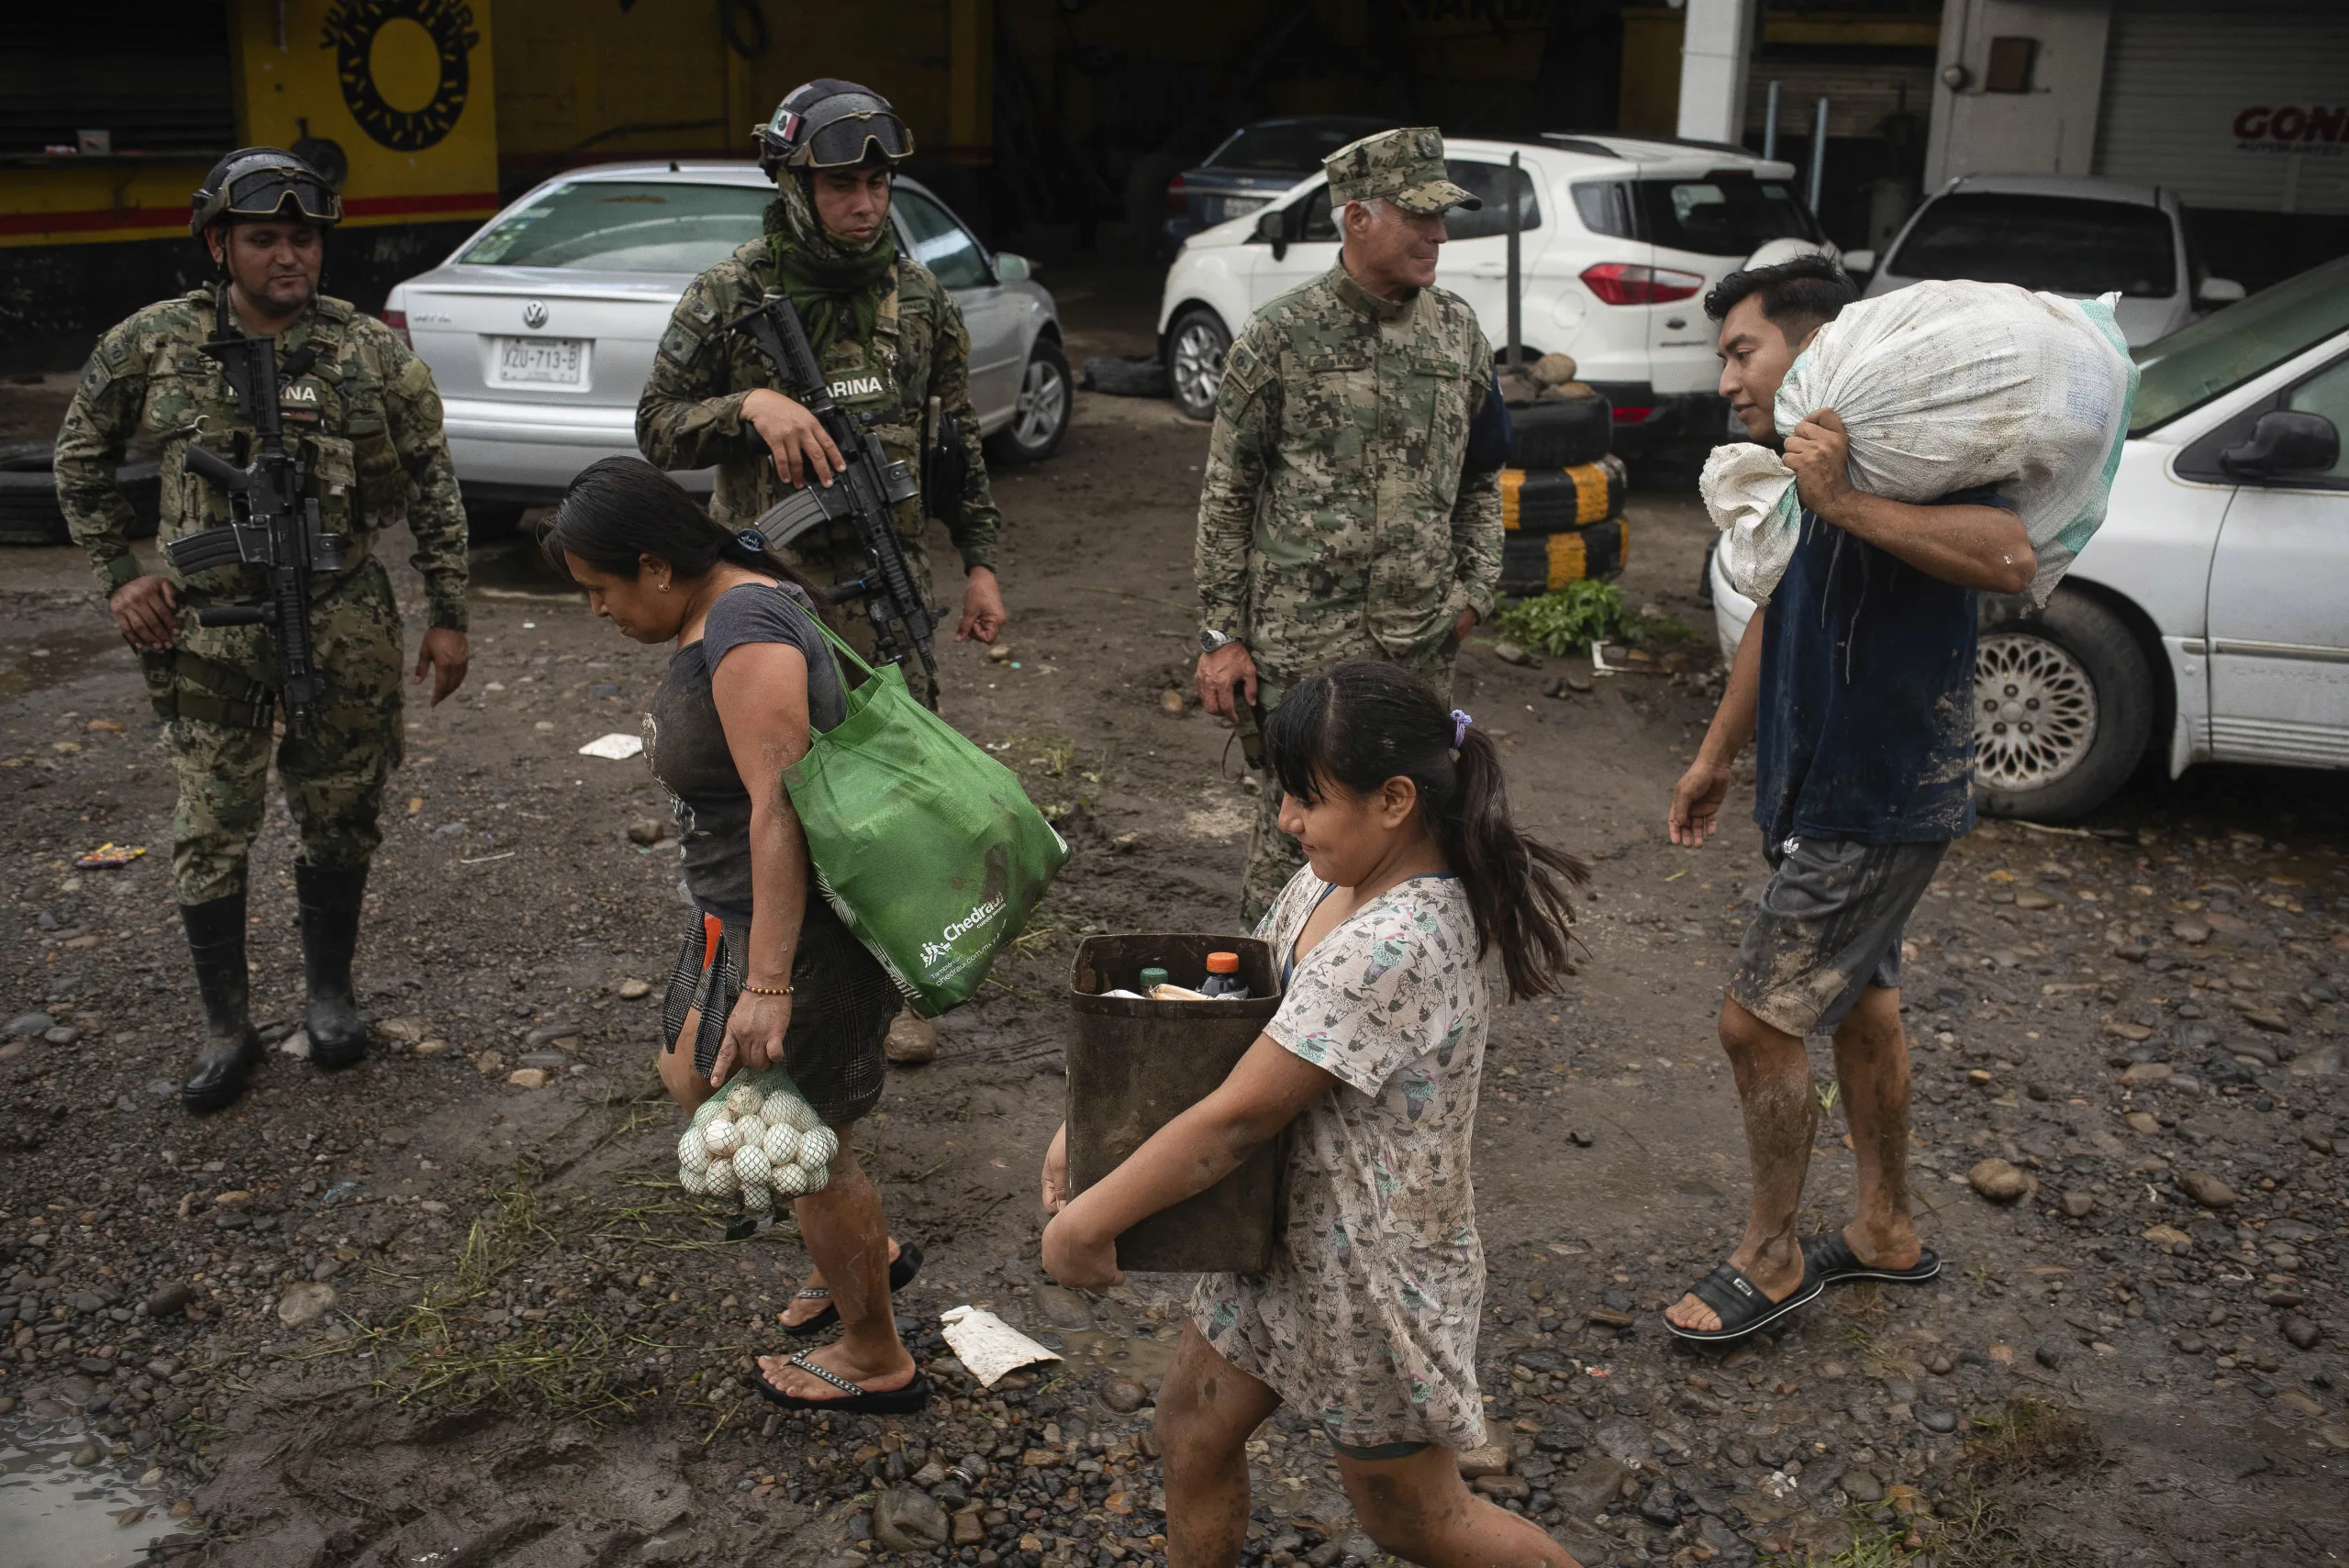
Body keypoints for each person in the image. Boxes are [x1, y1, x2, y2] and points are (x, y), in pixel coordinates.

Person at [1040, 661, 1586, 1568]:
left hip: (1371, 1278)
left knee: (1414, 1519)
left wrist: (1091, 1218)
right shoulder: (1325, 887)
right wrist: (1085, 1129)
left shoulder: (1397, 941)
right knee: (1191, 1428)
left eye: (1307, 797)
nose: (1288, 819)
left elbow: (1238, 1119)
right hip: (1279, 1241)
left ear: (1395, 799)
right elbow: (1223, 1029)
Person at [1661, 256, 2037, 1341]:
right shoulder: (1812, 462)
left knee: (1755, 1020)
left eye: (1743, 350)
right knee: (1864, 1005)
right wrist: (1717, 752)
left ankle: (1771, 1255)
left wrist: (1845, 498)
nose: (1729, 378)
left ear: (1813, 342)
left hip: (1879, 789)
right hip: (1816, 787)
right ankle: (1883, 1229)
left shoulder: (1909, 452)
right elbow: (1777, 613)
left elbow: (2006, 556)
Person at [52, 147, 471, 1113]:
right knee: (212, 823)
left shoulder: (367, 350)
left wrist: (449, 613)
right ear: (218, 243)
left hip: (343, 615)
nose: (289, 256)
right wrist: (122, 577)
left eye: (304, 238)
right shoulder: (154, 341)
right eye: (265, 238)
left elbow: (433, 480)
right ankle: (225, 1024)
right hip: (207, 628)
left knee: (341, 809)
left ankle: (329, 995)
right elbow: (78, 456)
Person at [543, 456, 923, 1413]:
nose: (596, 610)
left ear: (654, 566)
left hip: (791, 931)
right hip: (735, 912)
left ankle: (875, 1351)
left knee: (809, 1141)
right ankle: (858, 1255)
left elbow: (781, 810)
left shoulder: (748, 629)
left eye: (600, 589)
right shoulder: (726, 608)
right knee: (693, 1073)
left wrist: (767, 982)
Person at [1192, 126, 1507, 928]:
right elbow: (1229, 494)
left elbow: (1483, 477)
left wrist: (1474, 591)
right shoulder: (1280, 336)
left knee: (1416, 826)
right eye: (1419, 216)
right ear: (1356, 216)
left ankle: (1391, 1005)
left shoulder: (1459, 333)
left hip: (1418, 639)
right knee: (1294, 836)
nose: (1440, 234)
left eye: (1444, 217)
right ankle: (1269, 1010)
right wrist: (1223, 634)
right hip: (1303, 645)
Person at [637, 77, 1008, 701]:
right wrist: (750, 408)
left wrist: (981, 565)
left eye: (878, 183)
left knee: (901, 775)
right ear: (796, 188)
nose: (866, 205)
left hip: (892, 594)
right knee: (772, 778)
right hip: (762, 596)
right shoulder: (729, 293)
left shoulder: (919, 297)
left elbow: (957, 435)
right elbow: (656, 427)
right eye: (842, 185)